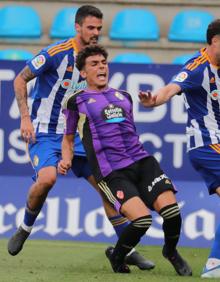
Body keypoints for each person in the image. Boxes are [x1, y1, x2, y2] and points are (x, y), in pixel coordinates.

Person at [7, 5, 154, 270]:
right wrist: (25, 117)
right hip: (45, 132)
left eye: (99, 28)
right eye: (91, 28)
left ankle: (127, 248)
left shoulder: (93, 60)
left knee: (105, 186)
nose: (96, 33)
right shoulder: (55, 54)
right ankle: (25, 226)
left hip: (77, 135)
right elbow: (20, 80)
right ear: (77, 27)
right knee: (48, 179)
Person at [58, 44, 192, 275]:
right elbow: (68, 138)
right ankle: (117, 255)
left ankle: (170, 252)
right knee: (142, 221)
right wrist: (66, 159)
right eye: (94, 64)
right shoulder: (75, 101)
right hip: (112, 173)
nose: (101, 67)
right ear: (83, 73)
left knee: (172, 212)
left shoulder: (124, 96)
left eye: (103, 63)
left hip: (142, 162)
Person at [139, 18, 220, 278]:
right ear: (215, 41)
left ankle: (215, 262)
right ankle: (214, 264)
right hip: (207, 144)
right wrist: (153, 101)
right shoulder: (197, 67)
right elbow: (172, 88)